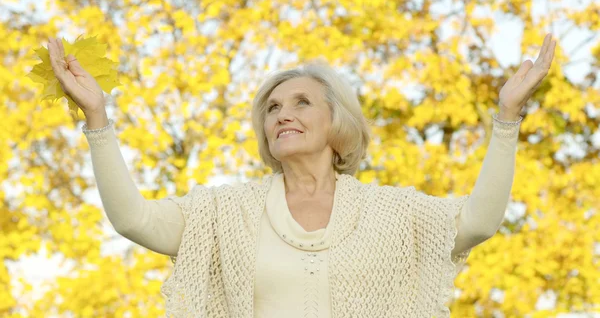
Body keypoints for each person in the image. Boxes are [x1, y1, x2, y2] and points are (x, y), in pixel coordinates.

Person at [48, 34, 554, 317]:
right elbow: (133, 219)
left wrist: (506, 117)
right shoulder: (224, 212)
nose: (282, 115)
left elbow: (479, 222)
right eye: (272, 109)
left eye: (301, 102)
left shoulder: (392, 212)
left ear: (337, 124)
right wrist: (97, 117)